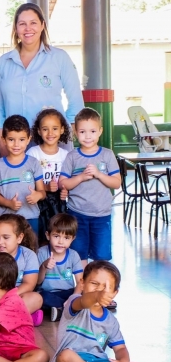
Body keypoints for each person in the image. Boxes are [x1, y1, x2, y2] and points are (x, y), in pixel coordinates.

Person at [0, 3, 84, 153]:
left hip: (53, 143)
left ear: (42, 25)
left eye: (33, 23)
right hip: (16, 145)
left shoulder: (59, 57)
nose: (28, 29)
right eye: (22, 24)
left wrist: (67, 132)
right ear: (15, 28)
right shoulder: (3, 62)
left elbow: (76, 101)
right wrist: (2, 142)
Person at [52, 261, 144, 362]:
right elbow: (83, 302)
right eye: (94, 284)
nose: (100, 290)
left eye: (107, 288)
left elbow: (120, 348)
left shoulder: (111, 321)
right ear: (82, 283)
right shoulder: (74, 302)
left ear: (114, 293)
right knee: (65, 356)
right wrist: (96, 296)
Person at [59, 108, 120, 261]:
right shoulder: (72, 156)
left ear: (100, 131)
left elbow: (117, 183)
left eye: (92, 131)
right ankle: (82, 284)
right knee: (79, 254)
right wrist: (80, 177)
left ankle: (98, 283)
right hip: (77, 213)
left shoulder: (107, 154)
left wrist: (99, 174)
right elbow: (63, 183)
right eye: (82, 132)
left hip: (102, 215)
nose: (87, 136)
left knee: (101, 255)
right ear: (75, 132)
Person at [0, 115, 46, 234]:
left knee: (30, 250)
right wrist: (8, 203)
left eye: (21, 139)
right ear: (3, 139)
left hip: (30, 218)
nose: (16, 144)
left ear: (28, 139)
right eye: (11, 139)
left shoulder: (33, 163)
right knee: (7, 251)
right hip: (6, 220)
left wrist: (38, 196)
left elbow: (42, 192)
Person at [28, 108, 72, 246]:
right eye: (45, 129)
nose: (50, 133)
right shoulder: (33, 153)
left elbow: (71, 180)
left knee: (59, 237)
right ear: (39, 131)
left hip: (60, 204)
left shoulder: (66, 155)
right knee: (41, 238)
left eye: (55, 128)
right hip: (40, 203)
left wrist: (66, 190)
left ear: (62, 130)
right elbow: (27, 181)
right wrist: (45, 187)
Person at [37, 213, 84, 322]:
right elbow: (37, 282)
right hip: (48, 293)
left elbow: (80, 282)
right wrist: (44, 266)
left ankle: (61, 310)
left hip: (67, 292)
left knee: (82, 295)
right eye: (56, 236)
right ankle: (68, 310)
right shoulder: (42, 253)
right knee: (40, 296)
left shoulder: (73, 255)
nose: (61, 242)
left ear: (72, 239)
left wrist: (74, 297)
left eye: (66, 238)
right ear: (48, 235)